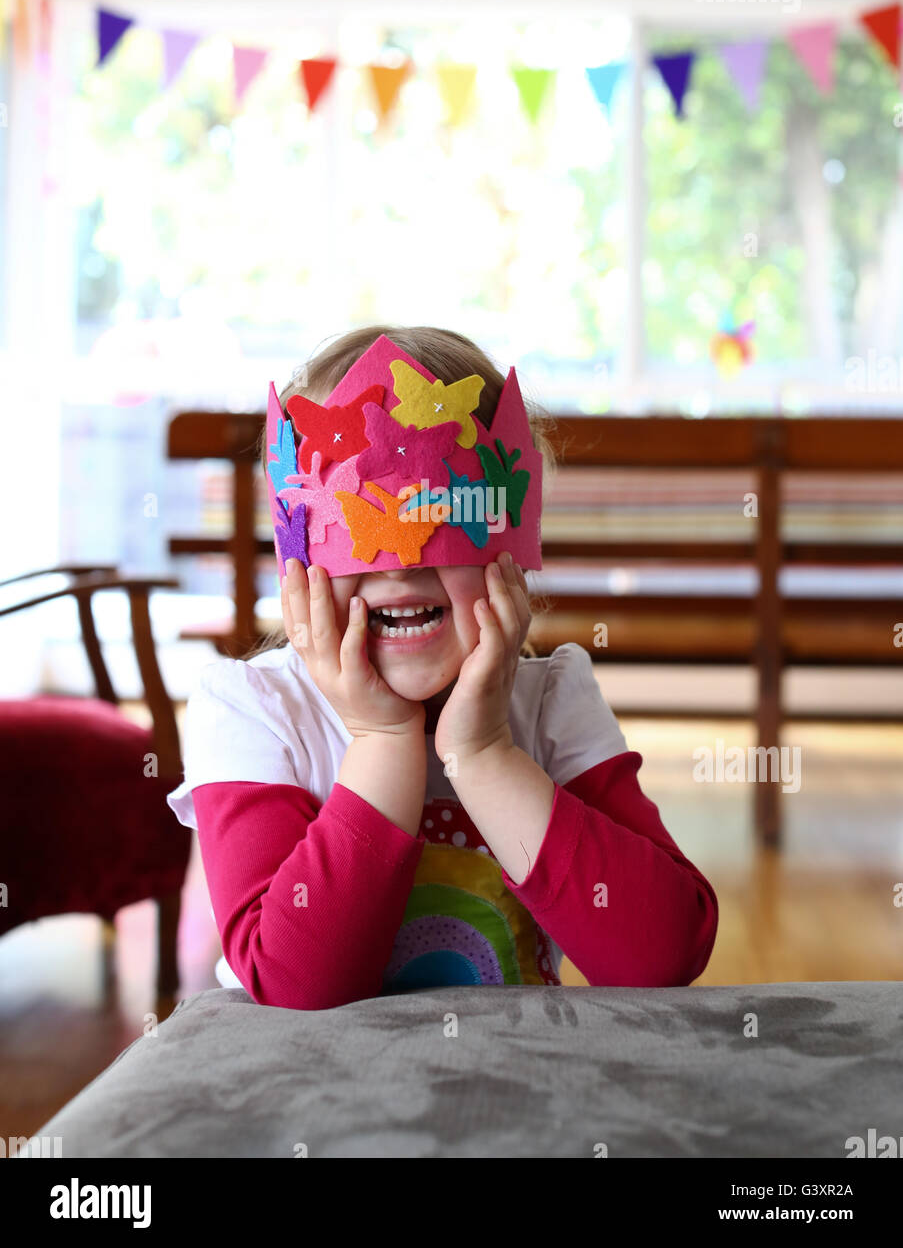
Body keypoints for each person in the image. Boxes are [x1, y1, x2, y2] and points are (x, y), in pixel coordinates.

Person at [166, 325, 718, 1009]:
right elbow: (295, 987)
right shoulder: (254, 710)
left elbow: (662, 954)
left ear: (507, 543)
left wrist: (483, 751)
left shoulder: (547, 702)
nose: (399, 561)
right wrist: (382, 740)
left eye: (440, 510)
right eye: (357, 520)